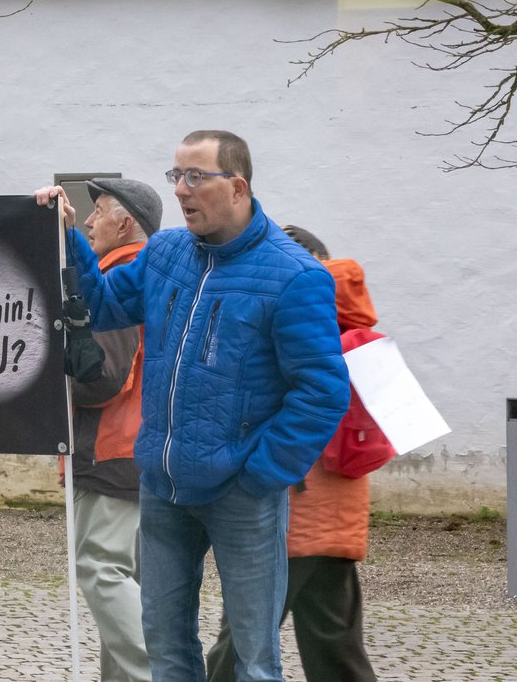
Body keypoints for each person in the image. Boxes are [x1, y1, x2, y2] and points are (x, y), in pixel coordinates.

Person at [36, 130, 348, 682]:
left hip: (243, 496)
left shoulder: (295, 277)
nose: (181, 190)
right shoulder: (166, 253)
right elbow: (104, 307)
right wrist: (70, 241)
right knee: (167, 650)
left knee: (254, 661)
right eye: (175, 176)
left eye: (196, 177)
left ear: (238, 185)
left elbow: (322, 392)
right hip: (163, 486)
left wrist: (260, 473)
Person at [206, 227, 381, 682]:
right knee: (336, 651)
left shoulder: (293, 323)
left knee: (241, 645)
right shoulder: (353, 332)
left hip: (291, 512)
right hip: (338, 515)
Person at [68, 178, 161, 682]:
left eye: (97, 210)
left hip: (113, 448)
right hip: (142, 451)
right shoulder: (146, 276)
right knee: (131, 589)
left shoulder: (118, 275)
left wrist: (55, 377)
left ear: (125, 222)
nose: (87, 220)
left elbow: (105, 378)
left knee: (101, 571)